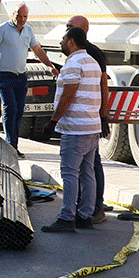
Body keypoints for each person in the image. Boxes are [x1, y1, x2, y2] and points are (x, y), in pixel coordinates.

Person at [40, 27, 103, 232]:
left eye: (63, 39)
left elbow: (68, 95)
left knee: (70, 174)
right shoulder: (92, 62)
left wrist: (52, 121)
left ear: (72, 42)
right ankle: (85, 216)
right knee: (88, 174)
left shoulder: (73, 64)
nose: (61, 42)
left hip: (76, 129)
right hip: (92, 126)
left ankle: (67, 218)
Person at [0, 3, 59, 155]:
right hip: (3, 76)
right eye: (19, 16)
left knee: (19, 111)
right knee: (11, 108)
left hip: (20, 77)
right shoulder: (2, 29)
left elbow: (37, 50)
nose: (22, 20)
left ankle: (12, 143)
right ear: (13, 14)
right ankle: (11, 146)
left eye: (25, 17)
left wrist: (49, 66)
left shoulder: (28, 30)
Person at [68, 14, 111, 223]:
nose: (66, 31)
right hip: (83, 119)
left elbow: (103, 84)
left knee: (92, 165)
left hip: (90, 119)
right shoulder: (74, 53)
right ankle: (86, 205)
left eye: (70, 27)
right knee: (86, 167)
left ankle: (96, 206)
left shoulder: (94, 53)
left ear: (83, 30)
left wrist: (103, 115)